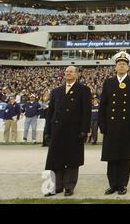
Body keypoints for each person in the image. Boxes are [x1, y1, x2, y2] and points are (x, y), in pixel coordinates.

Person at [99, 51, 130, 195]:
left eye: (124, 64)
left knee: (125, 157)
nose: (121, 66)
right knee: (111, 157)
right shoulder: (108, 82)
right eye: (119, 64)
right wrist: (102, 124)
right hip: (111, 127)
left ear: (128, 67)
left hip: (127, 127)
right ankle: (112, 184)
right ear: (115, 67)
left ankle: (122, 184)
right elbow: (103, 105)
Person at [44, 66, 92, 197]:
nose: (68, 73)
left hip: (74, 130)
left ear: (76, 74)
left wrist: (84, 130)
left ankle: (69, 186)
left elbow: (86, 112)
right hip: (57, 130)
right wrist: (47, 131)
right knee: (55, 159)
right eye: (66, 71)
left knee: (72, 160)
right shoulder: (56, 91)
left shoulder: (84, 90)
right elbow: (50, 113)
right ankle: (54, 186)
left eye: (71, 71)